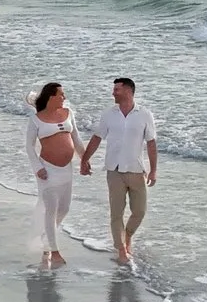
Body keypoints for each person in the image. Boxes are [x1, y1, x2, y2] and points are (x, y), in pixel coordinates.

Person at [78, 76, 158, 263]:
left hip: (136, 170)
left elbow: (151, 143)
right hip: (113, 170)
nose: (113, 92)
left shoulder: (144, 114)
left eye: (117, 89)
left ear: (129, 91)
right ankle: (121, 248)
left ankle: (127, 235)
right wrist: (84, 160)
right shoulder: (108, 114)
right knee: (116, 213)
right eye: (114, 89)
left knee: (139, 211)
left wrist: (153, 170)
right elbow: (97, 138)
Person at [24, 81, 79, 266]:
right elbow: (29, 146)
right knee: (51, 210)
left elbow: (76, 138)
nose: (64, 98)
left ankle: (47, 240)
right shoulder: (36, 119)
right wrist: (38, 168)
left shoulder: (68, 114)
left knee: (64, 209)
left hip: (67, 170)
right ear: (51, 97)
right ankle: (53, 252)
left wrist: (85, 159)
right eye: (61, 94)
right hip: (47, 171)